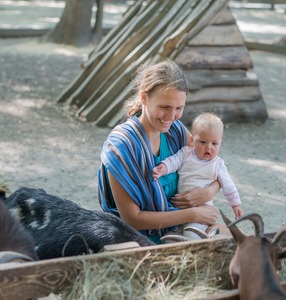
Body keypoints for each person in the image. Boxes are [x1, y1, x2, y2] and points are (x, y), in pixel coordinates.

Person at [98, 59, 223, 244]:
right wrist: (194, 213)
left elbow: (214, 162)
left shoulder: (176, 131)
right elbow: (131, 219)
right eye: (165, 107)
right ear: (143, 98)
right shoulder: (121, 147)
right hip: (136, 238)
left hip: (182, 227)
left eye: (179, 108)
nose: (171, 116)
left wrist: (209, 192)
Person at [152, 113, 242, 241]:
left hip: (202, 210)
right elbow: (173, 161)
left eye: (215, 144)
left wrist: (235, 205)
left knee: (191, 234)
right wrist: (162, 169)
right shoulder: (186, 153)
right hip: (179, 210)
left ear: (220, 143)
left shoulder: (217, 164)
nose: (209, 147)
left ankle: (198, 243)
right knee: (168, 238)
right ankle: (192, 243)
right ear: (192, 139)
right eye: (203, 142)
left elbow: (229, 186)